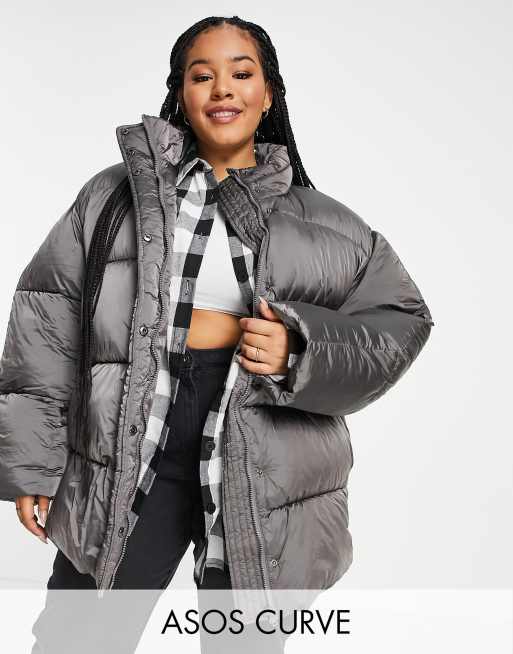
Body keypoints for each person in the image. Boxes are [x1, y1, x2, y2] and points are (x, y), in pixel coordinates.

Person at [0, 14, 434, 654]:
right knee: (78, 638)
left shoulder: (326, 225)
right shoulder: (114, 198)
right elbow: (46, 321)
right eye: (202, 75)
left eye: (242, 73)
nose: (223, 88)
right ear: (180, 93)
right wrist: (32, 465)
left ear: (268, 93)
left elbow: (402, 320)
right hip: (130, 443)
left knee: (245, 644)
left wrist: (300, 348)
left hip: (258, 456)